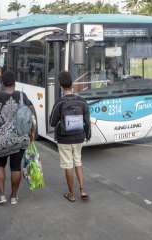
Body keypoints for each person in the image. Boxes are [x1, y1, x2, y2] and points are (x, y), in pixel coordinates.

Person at [0, 71, 35, 205]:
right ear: (15, 83)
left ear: (2, 83)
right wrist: (32, 132)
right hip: (19, 137)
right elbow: (30, 114)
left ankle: (1, 195)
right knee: (16, 167)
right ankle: (14, 196)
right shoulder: (22, 96)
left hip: (1, 138)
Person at [50, 71, 91, 203]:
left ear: (61, 85)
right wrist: (87, 134)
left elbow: (52, 122)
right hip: (79, 137)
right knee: (78, 161)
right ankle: (82, 190)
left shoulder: (59, 102)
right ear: (72, 84)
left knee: (68, 165)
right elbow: (87, 121)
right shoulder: (82, 101)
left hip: (64, 138)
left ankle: (71, 194)